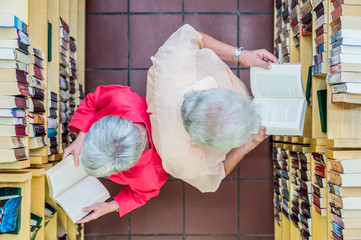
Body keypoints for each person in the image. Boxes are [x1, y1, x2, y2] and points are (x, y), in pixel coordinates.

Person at [146, 24, 279, 193]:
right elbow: (218, 174)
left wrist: (242, 55)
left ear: (206, 92)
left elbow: (196, 37)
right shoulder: (182, 162)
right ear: (205, 144)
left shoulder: (175, 59)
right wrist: (249, 144)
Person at [64, 85, 168, 223]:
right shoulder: (120, 99)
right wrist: (81, 137)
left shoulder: (148, 177)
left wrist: (111, 206)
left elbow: (142, 195)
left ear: (125, 168)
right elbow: (94, 100)